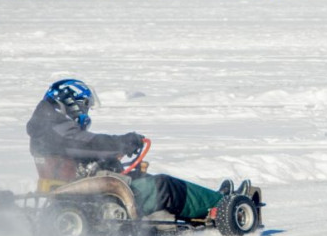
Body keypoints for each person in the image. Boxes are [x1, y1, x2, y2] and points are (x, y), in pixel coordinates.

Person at [26, 79, 249, 219]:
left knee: (142, 177)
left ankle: (212, 199)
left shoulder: (47, 126)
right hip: (91, 191)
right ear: (70, 104)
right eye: (85, 106)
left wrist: (113, 154)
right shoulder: (55, 129)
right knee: (163, 185)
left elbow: (82, 149)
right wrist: (122, 142)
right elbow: (87, 143)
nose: (86, 113)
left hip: (84, 186)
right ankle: (221, 205)